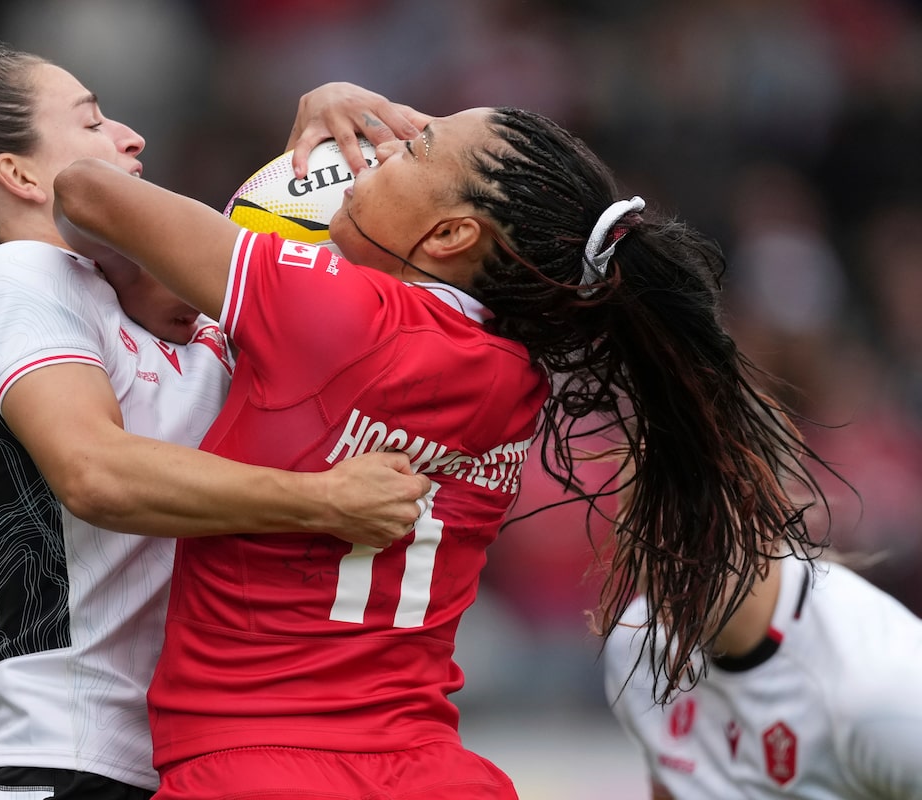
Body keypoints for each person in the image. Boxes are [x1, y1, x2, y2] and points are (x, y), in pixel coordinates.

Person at [52, 103, 838, 799]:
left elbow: (88, 190)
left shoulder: (329, 311)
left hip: (255, 765)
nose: (378, 151)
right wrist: (387, 136)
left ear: (453, 234)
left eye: (411, 146)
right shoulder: (518, 377)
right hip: (433, 771)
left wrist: (298, 172)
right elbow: (488, 201)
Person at [0, 49, 432, 800]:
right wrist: (325, 500)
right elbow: (94, 472)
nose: (131, 137)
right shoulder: (19, 275)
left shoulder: (142, 301)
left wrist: (329, 130)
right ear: (23, 176)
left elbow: (322, 271)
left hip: (187, 764)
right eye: (94, 121)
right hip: (67, 767)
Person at [603, 413, 922, 799]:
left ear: (770, 517)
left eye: (694, 511)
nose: (663, 543)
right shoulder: (635, 649)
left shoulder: (880, 691)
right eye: (639, 510)